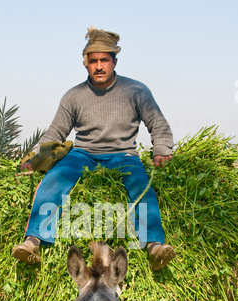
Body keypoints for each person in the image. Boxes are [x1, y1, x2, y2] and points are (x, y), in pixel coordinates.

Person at [12, 27, 176, 271]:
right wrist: (35, 160)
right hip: (83, 154)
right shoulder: (74, 96)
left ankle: (154, 246)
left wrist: (161, 150)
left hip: (124, 155)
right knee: (53, 181)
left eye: (104, 60)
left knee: (142, 187)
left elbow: (158, 124)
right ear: (86, 64)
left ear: (114, 61)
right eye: (93, 61)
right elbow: (55, 132)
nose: (99, 66)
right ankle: (32, 241)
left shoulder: (136, 91)